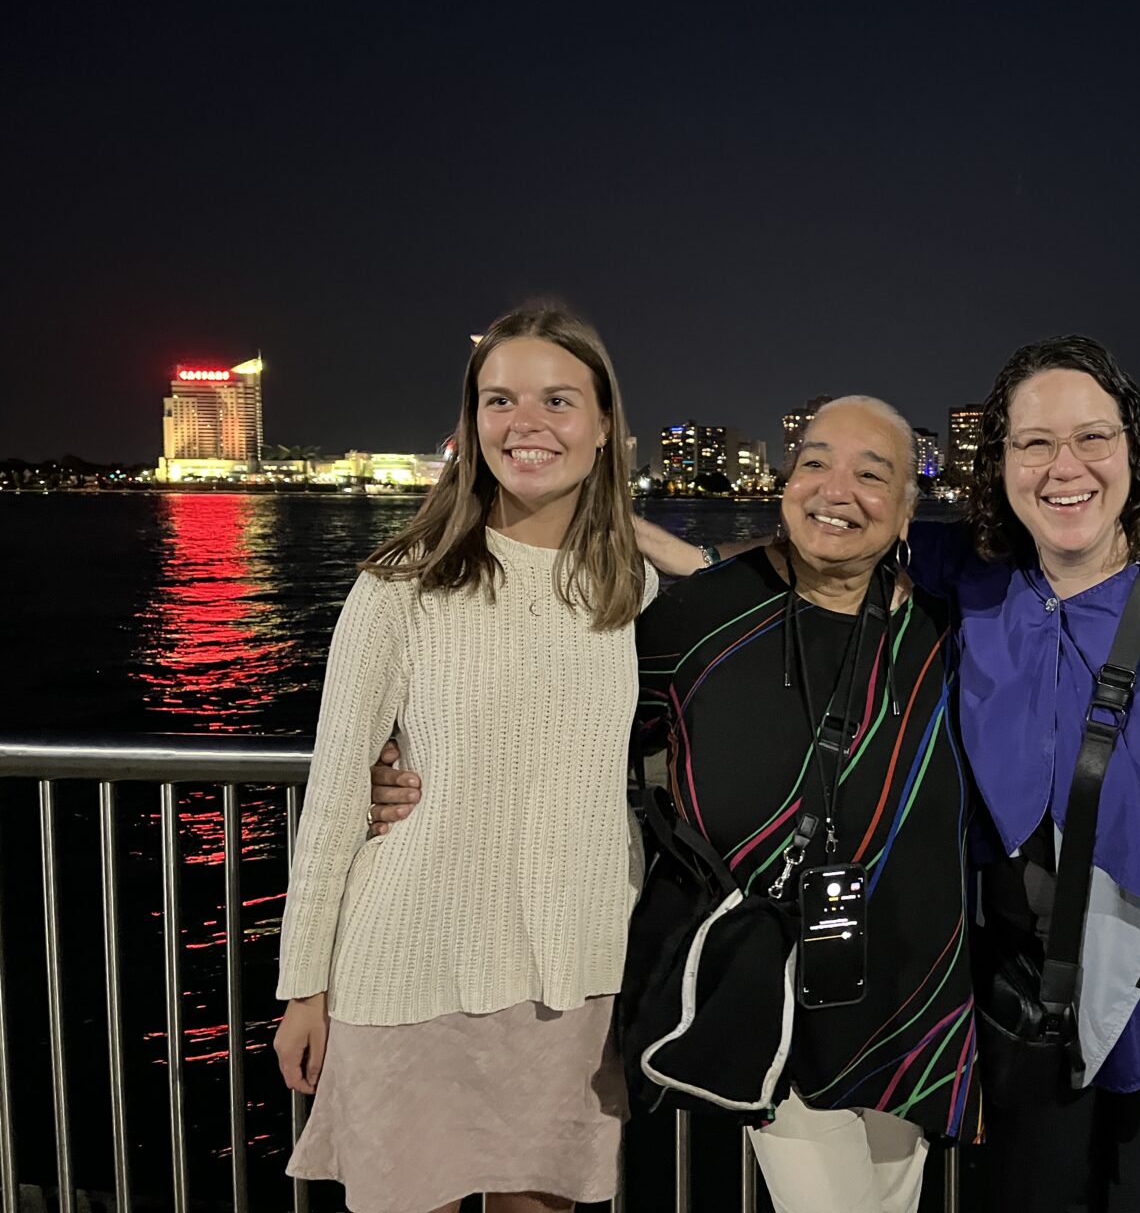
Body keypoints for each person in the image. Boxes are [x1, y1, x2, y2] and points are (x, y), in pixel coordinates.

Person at [629, 337, 1140, 1212]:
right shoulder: (972, 584)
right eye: (1033, 443)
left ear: (1134, 455)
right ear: (997, 466)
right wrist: (626, 532)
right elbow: (830, 540)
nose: (1062, 468)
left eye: (1092, 439)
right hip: (1019, 1020)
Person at [370, 396, 981, 1213]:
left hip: (916, 987)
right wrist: (410, 757)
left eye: (873, 475)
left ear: (908, 507)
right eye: (814, 463)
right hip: (778, 985)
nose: (837, 488)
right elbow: (557, 713)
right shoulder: (697, 617)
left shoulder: (951, 632)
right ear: (783, 484)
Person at [273, 302, 654, 1213]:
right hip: (410, 960)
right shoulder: (400, 586)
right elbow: (332, 797)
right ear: (469, 424)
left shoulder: (628, 589)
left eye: (559, 401)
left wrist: (653, 538)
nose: (525, 424)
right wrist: (303, 987)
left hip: (573, 971)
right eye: (499, 401)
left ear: (605, 427)